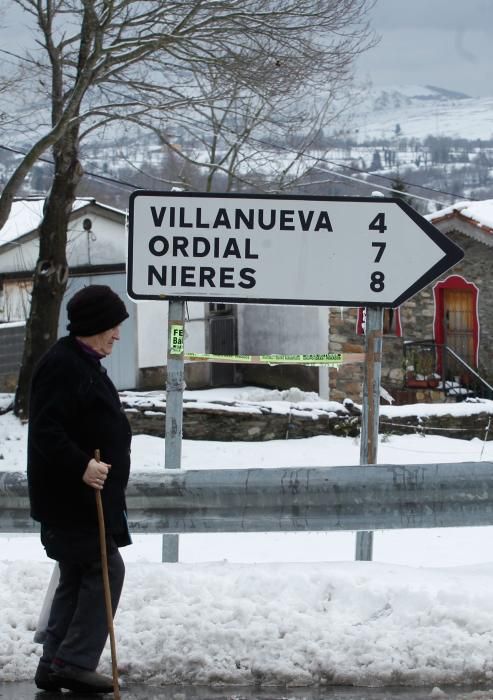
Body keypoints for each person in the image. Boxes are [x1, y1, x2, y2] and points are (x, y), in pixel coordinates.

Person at [28, 284, 132, 694]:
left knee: (77, 575)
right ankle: (72, 663)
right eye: (113, 327)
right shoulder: (64, 365)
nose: (117, 335)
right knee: (105, 570)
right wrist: (82, 465)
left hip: (84, 501)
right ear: (94, 325)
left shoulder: (81, 362)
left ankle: (54, 664)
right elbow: (46, 430)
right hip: (73, 501)